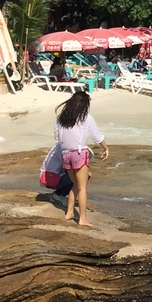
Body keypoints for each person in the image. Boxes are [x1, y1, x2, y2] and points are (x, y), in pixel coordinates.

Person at [53, 91, 109, 227]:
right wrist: (106, 148)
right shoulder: (86, 118)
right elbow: (97, 137)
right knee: (82, 187)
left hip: (65, 154)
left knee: (75, 184)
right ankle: (82, 219)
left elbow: (57, 137)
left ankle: (69, 213)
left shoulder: (61, 119)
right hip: (79, 153)